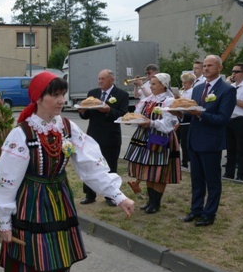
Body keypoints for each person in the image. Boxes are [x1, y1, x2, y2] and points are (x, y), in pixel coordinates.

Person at [0, 72, 135, 272]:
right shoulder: (22, 134)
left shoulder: (67, 127)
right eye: (54, 94)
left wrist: (117, 196)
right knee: (46, 270)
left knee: (43, 267)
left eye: (63, 93)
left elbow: (90, 164)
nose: (61, 100)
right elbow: (5, 179)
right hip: (32, 205)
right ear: (38, 98)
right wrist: (4, 220)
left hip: (58, 201)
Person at [177, 55, 236, 227]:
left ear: (220, 68)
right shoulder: (198, 87)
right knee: (196, 179)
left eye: (210, 65)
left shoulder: (227, 90)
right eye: (204, 66)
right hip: (194, 140)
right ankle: (195, 210)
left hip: (211, 141)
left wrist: (200, 114)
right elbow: (192, 110)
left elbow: (223, 119)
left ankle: (209, 213)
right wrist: (180, 113)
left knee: (212, 180)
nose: (206, 68)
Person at [124, 73, 181, 214]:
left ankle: (156, 203)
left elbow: (170, 123)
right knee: (149, 170)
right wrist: (133, 119)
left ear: (163, 85)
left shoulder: (168, 101)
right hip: (145, 137)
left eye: (154, 84)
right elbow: (137, 114)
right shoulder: (148, 100)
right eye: (151, 83)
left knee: (160, 172)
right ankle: (150, 201)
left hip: (161, 139)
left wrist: (151, 123)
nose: (151, 86)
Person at [78, 69, 129, 205]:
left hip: (111, 136)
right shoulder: (93, 93)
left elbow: (123, 115)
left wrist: (108, 110)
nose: (100, 81)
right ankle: (89, 194)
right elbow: (87, 115)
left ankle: (111, 196)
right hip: (93, 135)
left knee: (110, 167)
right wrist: (82, 112)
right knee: (90, 165)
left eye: (103, 79)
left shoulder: (122, 95)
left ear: (111, 80)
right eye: (99, 78)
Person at [177, 72, 196, 168]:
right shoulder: (182, 91)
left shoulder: (192, 92)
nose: (183, 85)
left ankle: (185, 161)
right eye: (182, 83)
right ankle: (177, 160)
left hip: (187, 118)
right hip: (179, 118)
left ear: (191, 83)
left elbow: (190, 105)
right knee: (177, 141)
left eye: (185, 83)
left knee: (185, 142)